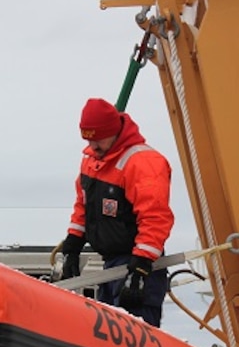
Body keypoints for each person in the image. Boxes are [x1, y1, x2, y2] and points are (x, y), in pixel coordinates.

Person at [61, 97, 174, 327]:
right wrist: (72, 244)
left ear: (113, 132)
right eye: (88, 140)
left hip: (136, 264)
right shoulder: (92, 161)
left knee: (137, 331)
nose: (93, 147)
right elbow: (83, 205)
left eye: (98, 140)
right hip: (111, 266)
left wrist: (141, 267)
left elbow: (155, 217)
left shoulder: (143, 163)